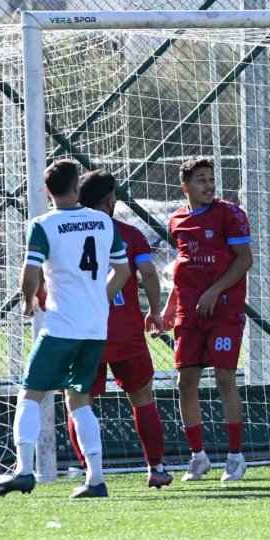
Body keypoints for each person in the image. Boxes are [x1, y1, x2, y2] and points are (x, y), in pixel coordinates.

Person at [0, 160, 130, 499]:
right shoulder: (103, 221)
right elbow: (122, 272)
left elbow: (29, 272)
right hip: (95, 327)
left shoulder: (43, 225)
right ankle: (95, 479)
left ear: (47, 192)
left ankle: (22, 470)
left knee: (29, 393)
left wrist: (27, 301)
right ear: (77, 188)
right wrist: (98, 299)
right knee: (79, 400)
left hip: (62, 324)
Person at [65, 170, 172, 488]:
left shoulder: (67, 235)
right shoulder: (127, 233)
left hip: (84, 329)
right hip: (125, 328)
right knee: (142, 397)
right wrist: (154, 312)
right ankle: (156, 467)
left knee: (79, 402)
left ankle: (90, 472)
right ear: (111, 201)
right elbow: (149, 275)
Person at [163, 157, 254, 482]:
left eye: (211, 179)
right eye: (201, 180)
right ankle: (198, 457)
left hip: (225, 310)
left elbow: (245, 260)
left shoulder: (230, 213)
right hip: (190, 313)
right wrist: (170, 305)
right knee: (185, 381)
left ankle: (235, 457)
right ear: (185, 186)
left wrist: (214, 291)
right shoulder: (176, 220)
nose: (209, 185)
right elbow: (183, 266)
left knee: (224, 379)